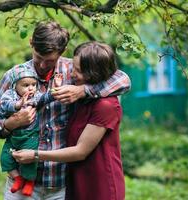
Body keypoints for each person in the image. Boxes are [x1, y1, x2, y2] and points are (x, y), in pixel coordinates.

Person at [0, 21, 130, 200]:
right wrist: (11, 123)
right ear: (31, 42)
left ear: (63, 51)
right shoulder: (14, 76)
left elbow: (123, 80)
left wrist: (82, 90)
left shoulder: (75, 72)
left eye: (50, 60)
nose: (43, 65)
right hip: (21, 179)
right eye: (38, 57)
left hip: (62, 183)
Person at [14, 41, 125, 200]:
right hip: (77, 179)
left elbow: (80, 151)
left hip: (99, 184)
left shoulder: (105, 106)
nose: (72, 75)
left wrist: (35, 155)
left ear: (93, 73)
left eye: (78, 71)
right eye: (73, 67)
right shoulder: (82, 97)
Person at [0, 65, 63, 196]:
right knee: (5, 157)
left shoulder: (35, 97)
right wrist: (18, 104)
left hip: (30, 136)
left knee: (29, 162)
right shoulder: (10, 95)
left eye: (33, 84)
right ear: (15, 86)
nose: (31, 88)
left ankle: (29, 182)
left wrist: (55, 87)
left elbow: (46, 98)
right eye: (26, 85)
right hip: (14, 136)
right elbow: (4, 106)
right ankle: (18, 178)